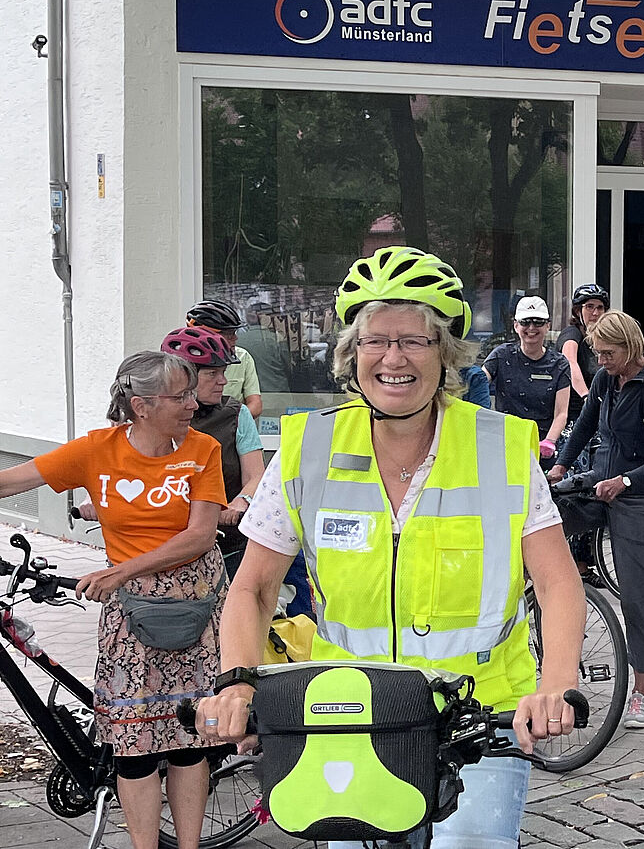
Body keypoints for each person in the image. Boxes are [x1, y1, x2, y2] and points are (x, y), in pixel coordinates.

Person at [196, 246, 585, 849]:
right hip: (346, 710)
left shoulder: (503, 448)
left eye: (415, 341)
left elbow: (558, 581)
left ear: (445, 354)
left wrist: (556, 682)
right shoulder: (308, 448)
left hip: (480, 714)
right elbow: (252, 586)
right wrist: (237, 684)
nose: (393, 358)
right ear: (352, 352)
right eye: (376, 340)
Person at [0, 351, 227, 849]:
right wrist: (122, 578)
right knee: (133, 745)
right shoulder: (98, 450)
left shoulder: (202, 449)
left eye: (190, 393)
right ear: (141, 405)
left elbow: (200, 535)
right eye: (179, 395)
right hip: (130, 610)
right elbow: (9, 481)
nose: (191, 403)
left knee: (188, 742)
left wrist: (120, 572)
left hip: (197, 603)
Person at [548, 310, 644, 731]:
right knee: (543, 524)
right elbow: (584, 425)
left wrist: (624, 480)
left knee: (636, 595)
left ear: (630, 347)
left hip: (639, 495)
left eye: (607, 353)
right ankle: (554, 602)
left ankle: (641, 691)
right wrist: (561, 468)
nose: (600, 360)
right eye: (597, 353)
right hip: (598, 481)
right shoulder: (606, 379)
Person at [158, 326, 314, 618]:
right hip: (172, 550)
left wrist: (241, 501)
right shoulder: (152, 420)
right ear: (182, 376)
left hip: (231, 542)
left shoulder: (235, 414)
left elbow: (257, 475)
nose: (223, 381)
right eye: (212, 374)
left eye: (223, 372)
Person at [482, 295, 571, 459]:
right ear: (516, 325)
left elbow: (561, 413)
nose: (531, 327)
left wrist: (549, 442)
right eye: (525, 322)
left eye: (538, 322)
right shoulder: (501, 355)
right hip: (505, 445)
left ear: (547, 326)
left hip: (542, 449)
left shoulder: (559, 364)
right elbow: (479, 383)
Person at [187, 300, 263, 418]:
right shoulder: (183, 360)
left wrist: (227, 422)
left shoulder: (243, 357)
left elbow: (255, 405)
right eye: (229, 334)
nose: (235, 338)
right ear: (206, 334)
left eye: (234, 332)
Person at [560, 283, 609, 420]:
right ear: (577, 311)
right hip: (574, 414)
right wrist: (586, 396)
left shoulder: (602, 338)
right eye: (589, 307)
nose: (595, 313)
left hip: (600, 412)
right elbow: (570, 362)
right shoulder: (572, 333)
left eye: (600, 308)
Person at [235, 302, 292, 397]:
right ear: (269, 319)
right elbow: (289, 367)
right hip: (277, 395)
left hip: (247, 399)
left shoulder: (237, 341)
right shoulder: (277, 339)